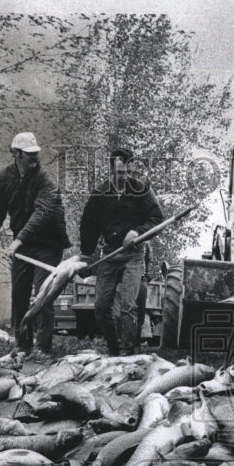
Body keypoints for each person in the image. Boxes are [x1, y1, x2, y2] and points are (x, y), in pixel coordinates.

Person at [0, 132, 71, 358]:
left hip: (48, 244)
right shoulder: (5, 178)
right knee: (19, 294)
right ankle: (22, 345)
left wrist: (18, 239)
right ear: (16, 154)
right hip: (23, 245)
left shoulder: (45, 181)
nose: (34, 158)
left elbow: (43, 213)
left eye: (36, 154)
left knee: (43, 294)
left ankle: (43, 348)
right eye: (29, 154)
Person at [80, 148, 164, 356]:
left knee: (129, 305)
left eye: (128, 172)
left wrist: (137, 232)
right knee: (100, 307)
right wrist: (86, 255)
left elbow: (157, 220)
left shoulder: (141, 190)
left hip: (134, 255)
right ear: (111, 170)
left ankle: (127, 350)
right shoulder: (99, 195)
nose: (124, 177)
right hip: (110, 254)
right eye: (119, 172)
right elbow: (88, 226)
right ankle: (113, 348)